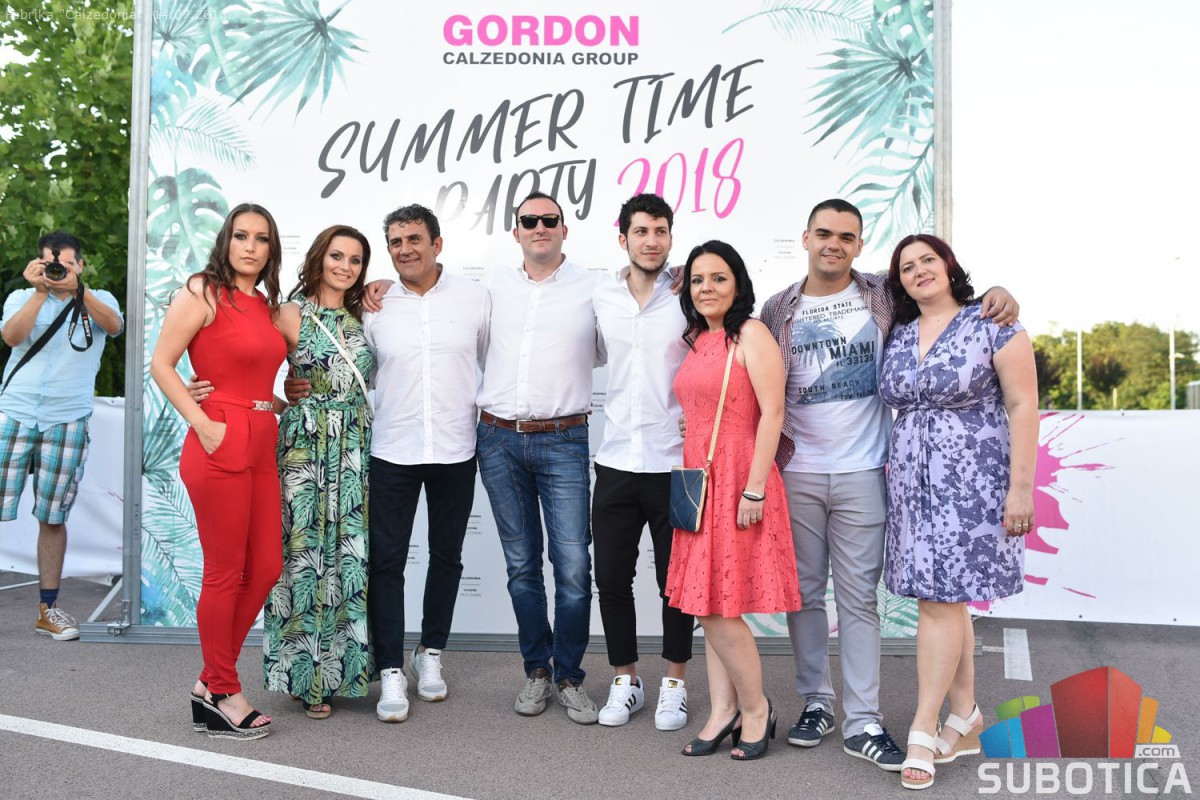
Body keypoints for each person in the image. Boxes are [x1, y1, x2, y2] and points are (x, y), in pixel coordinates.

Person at [758, 199, 1019, 771]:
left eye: (846, 236)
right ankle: (817, 703)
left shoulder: (883, 293)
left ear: (859, 244)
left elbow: (944, 306)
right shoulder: (778, 307)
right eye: (823, 233)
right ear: (805, 238)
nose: (834, 243)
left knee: (858, 600)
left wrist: (998, 294)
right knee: (804, 595)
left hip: (866, 470)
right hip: (797, 470)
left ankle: (863, 720)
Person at [878, 234, 1037, 790]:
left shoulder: (992, 323)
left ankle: (924, 726)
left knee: (939, 602)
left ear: (949, 266)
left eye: (929, 259)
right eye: (907, 266)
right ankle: (965, 715)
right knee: (946, 599)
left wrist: (1021, 489)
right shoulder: (897, 332)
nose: (919, 270)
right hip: (911, 487)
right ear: (898, 281)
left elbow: (1023, 404)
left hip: (973, 487)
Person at [150, 203, 287, 740]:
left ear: (271, 249)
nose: (250, 246)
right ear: (226, 241)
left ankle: (210, 682)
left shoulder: (266, 306)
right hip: (219, 438)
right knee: (225, 571)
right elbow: (162, 363)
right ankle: (226, 692)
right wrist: (203, 423)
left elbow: (252, 374)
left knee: (267, 567)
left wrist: (279, 401)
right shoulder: (202, 291)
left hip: (261, 438)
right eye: (241, 235)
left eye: (261, 238)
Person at [665, 240, 800, 761]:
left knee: (721, 609)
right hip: (702, 478)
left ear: (738, 284)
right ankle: (723, 710)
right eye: (698, 279)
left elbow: (773, 413)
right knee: (707, 604)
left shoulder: (751, 333)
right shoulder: (700, 338)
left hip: (739, 478)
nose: (707, 288)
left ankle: (756, 709)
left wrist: (755, 487)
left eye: (718, 278)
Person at [475, 191, 601, 724]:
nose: (540, 227)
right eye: (530, 220)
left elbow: (628, 332)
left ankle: (570, 676)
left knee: (572, 566)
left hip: (564, 439)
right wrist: (383, 287)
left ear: (565, 229)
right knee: (522, 565)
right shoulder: (492, 286)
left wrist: (676, 277)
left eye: (550, 219)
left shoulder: (596, 287)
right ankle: (537, 671)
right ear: (516, 231)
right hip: (497, 439)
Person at [361, 205, 488, 723]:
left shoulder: (475, 299)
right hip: (392, 449)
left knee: (447, 556)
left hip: (456, 448)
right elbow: (359, 372)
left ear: (437, 243)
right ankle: (390, 667)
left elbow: (492, 360)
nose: (405, 249)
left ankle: (430, 652)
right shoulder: (373, 306)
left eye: (414, 239)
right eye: (396, 242)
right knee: (386, 562)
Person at [261, 225, 375, 719]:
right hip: (304, 447)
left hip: (353, 447)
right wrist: (279, 399)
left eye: (355, 260)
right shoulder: (288, 314)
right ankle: (304, 678)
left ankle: (341, 672)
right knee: (303, 556)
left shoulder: (367, 315)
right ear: (318, 258)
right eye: (336, 256)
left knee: (348, 558)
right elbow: (248, 360)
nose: (345, 266)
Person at [592, 193, 694, 730]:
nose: (651, 241)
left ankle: (674, 684)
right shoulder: (600, 295)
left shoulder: (690, 294)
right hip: (614, 460)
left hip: (676, 465)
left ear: (670, 237)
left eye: (660, 231)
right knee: (611, 578)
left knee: (675, 583)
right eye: (641, 231)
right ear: (623, 238)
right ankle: (626, 680)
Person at [0, 231, 124, 641]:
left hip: (67, 418)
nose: (59, 271)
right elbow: (11, 337)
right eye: (52, 265)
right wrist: (40, 292)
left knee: (53, 516)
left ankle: (47, 610)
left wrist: (77, 291)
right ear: (38, 265)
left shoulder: (98, 299)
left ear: (80, 266)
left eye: (67, 265)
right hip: (15, 413)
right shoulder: (22, 298)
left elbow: (114, 326)